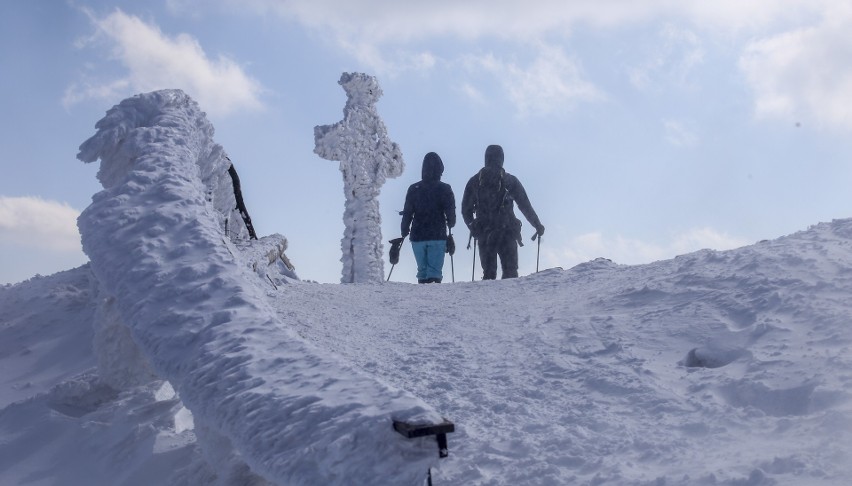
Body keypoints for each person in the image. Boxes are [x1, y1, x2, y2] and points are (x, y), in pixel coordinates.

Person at [461, 144, 544, 280]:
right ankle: (511, 300)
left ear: (486, 158)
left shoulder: (475, 181)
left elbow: (466, 210)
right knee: (510, 273)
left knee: (488, 274)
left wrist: (473, 227)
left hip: (484, 232)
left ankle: (487, 301)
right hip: (507, 231)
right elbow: (525, 205)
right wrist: (537, 224)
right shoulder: (510, 180)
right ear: (502, 159)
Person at [401, 152, 457, 283]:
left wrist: (404, 229)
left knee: (422, 270)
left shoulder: (414, 188)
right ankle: (433, 298)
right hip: (437, 234)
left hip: (417, 235)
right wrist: (451, 222)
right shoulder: (444, 188)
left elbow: (408, 212)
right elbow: (451, 216)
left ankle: (421, 296)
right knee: (434, 271)